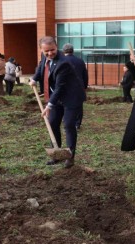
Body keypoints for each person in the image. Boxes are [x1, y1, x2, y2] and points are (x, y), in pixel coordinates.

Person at [29, 36, 86, 168]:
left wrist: (49, 105)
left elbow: (60, 87)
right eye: (46, 51)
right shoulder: (45, 58)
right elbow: (41, 69)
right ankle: (57, 154)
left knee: (68, 124)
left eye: (52, 50)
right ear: (41, 50)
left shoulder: (63, 62)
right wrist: (34, 79)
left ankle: (70, 157)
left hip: (71, 97)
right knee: (53, 123)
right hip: (57, 97)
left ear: (57, 46)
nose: (50, 53)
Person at [62, 43, 88, 130]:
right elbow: (85, 75)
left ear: (63, 51)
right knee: (78, 106)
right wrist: (84, 86)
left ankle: (67, 122)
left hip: (65, 87)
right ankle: (77, 123)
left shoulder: (61, 60)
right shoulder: (80, 61)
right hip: (78, 87)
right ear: (72, 51)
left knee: (65, 105)